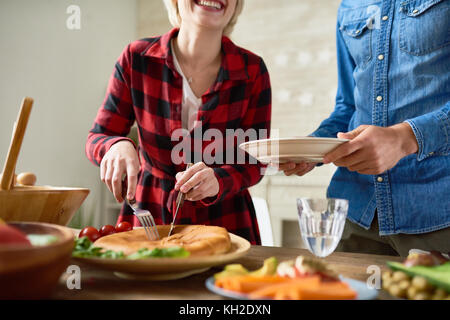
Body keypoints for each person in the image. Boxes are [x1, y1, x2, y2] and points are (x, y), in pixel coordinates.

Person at [85, 0, 271, 244]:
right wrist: (116, 146)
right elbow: (98, 136)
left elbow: (257, 158)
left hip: (229, 225)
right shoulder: (136, 59)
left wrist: (218, 180)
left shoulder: (253, 70)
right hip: (149, 220)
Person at [278, 0, 450, 256]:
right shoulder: (348, 6)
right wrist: (312, 148)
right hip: (355, 212)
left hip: (436, 212)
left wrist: (404, 138)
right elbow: (347, 107)